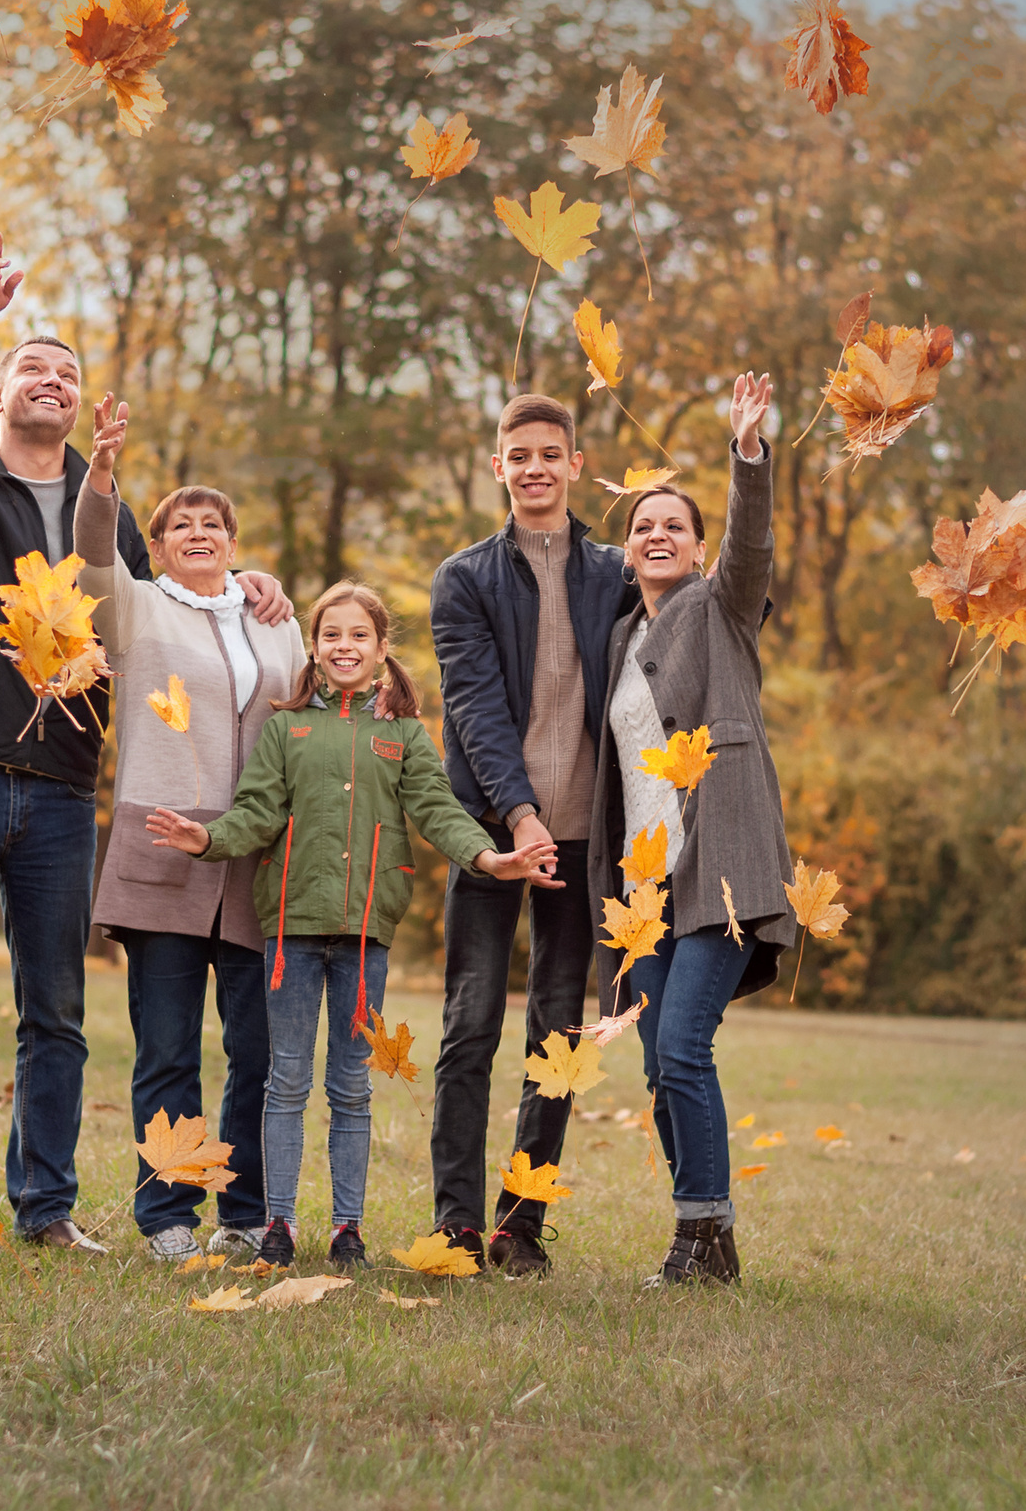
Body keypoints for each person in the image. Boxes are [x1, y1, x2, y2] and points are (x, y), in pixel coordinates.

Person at [0, 235, 290, 1253]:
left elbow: (173, 626)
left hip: (62, 794)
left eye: (67, 372)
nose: (52, 380)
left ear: (79, 406)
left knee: (54, 1015)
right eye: (34, 367)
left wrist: (252, 589)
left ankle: (46, 1209)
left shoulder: (117, 527)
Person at [144, 583, 561, 1270]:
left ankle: (347, 1228)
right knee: (286, 1081)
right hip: (293, 932)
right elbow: (256, 811)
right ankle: (278, 1221)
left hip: (367, 931)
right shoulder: (286, 728)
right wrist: (208, 840)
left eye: (358, 635)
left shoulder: (401, 735)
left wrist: (489, 856)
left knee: (350, 1085)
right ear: (314, 645)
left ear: (381, 648)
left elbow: (438, 809)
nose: (345, 646)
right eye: (332, 634)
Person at [73, 393, 305, 1263]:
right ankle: (167, 1216)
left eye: (214, 523)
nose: (199, 532)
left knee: (255, 1051)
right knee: (167, 1049)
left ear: (235, 545)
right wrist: (102, 477)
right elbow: (95, 558)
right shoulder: (135, 609)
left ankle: (245, 1214)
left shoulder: (275, 625)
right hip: (161, 844)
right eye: (181, 525)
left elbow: (313, 723)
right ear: (160, 546)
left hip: (254, 858)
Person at [586, 373, 792, 1288]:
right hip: (644, 883)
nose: (657, 534)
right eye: (642, 526)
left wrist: (747, 452)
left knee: (681, 1046)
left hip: (721, 862)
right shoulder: (622, 635)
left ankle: (701, 1235)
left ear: (698, 546)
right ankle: (703, 1237)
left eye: (674, 524)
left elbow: (751, 549)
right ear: (627, 551)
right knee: (655, 1066)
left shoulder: (722, 611)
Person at [426, 393, 635, 1277]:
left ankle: (522, 1225)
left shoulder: (619, 572)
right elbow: (474, 708)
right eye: (521, 454)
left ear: (576, 463)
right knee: (469, 1026)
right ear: (499, 465)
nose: (537, 467)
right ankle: (458, 1223)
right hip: (491, 834)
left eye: (552, 453)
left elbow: (722, 610)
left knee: (557, 1036)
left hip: (587, 843)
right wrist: (518, 816)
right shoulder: (464, 578)